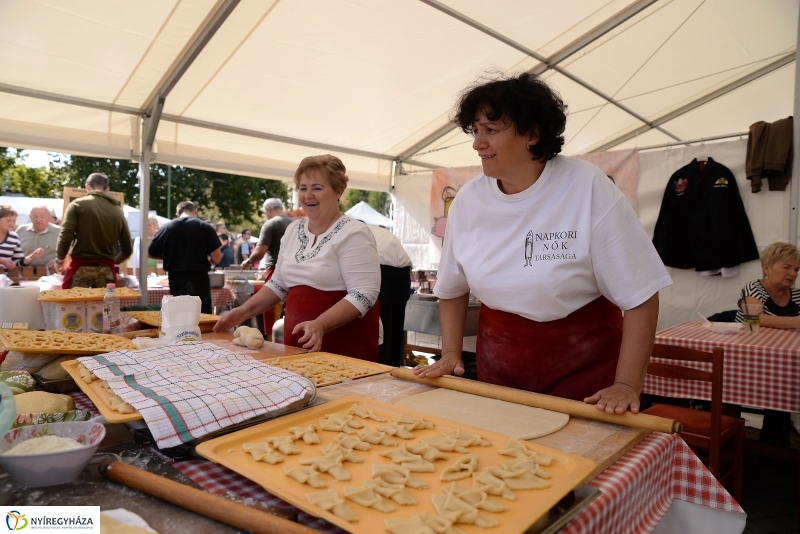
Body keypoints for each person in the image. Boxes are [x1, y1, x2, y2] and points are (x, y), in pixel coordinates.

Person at [413, 73, 672, 414]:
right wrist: (450, 353)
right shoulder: (468, 201)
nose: (478, 142)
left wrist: (626, 384)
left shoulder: (586, 186)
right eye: (476, 130)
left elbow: (640, 293)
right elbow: (451, 288)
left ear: (533, 133)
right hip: (500, 361)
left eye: (491, 130)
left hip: (584, 362)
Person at [215, 155, 381, 361]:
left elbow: (363, 294)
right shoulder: (293, 230)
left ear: (338, 191)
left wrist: (321, 324)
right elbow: (278, 284)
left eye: (317, 188)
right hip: (297, 342)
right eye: (303, 188)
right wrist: (242, 312)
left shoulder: (354, 233)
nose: (308, 195)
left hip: (343, 345)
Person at [736, 241, 798, 443]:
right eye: (786, 267)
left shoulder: (797, 295)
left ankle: (770, 445)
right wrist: (795, 322)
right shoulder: (754, 287)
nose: (793, 273)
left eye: (796, 269)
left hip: (779, 361)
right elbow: (755, 319)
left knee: (784, 385)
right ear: (767, 268)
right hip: (745, 360)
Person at [56, 173, 133, 289]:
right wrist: (112, 261)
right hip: (107, 272)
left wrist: (60, 258)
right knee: (106, 306)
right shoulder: (118, 212)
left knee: (75, 306)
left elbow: (66, 235)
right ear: (107, 190)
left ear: (87, 187)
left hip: (80, 269)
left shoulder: (77, 205)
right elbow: (127, 249)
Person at [149, 201, 222, 314]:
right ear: (195, 212)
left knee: (180, 315)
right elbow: (217, 258)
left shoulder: (167, 228)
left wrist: (170, 256)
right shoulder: (205, 227)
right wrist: (208, 259)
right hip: (199, 279)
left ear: (177, 214)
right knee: (201, 316)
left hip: (176, 279)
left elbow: (150, 252)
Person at [367, 224, 413, 367]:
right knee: (394, 325)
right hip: (402, 271)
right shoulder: (376, 230)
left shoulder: (352, 230)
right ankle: (392, 366)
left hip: (381, 268)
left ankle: (380, 366)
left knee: (377, 323)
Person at [242, 199, 293, 274]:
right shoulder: (295, 224)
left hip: (275, 271)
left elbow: (259, 253)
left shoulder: (270, 224)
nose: (265, 215)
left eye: (265, 212)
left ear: (268, 209)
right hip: (293, 271)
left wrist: (248, 261)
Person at [0, 205, 45, 269]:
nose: (12, 223)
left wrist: (32, 257)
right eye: (8, 220)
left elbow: (18, 263)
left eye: (14, 221)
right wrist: (2, 261)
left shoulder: (14, 237)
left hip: (5, 277)